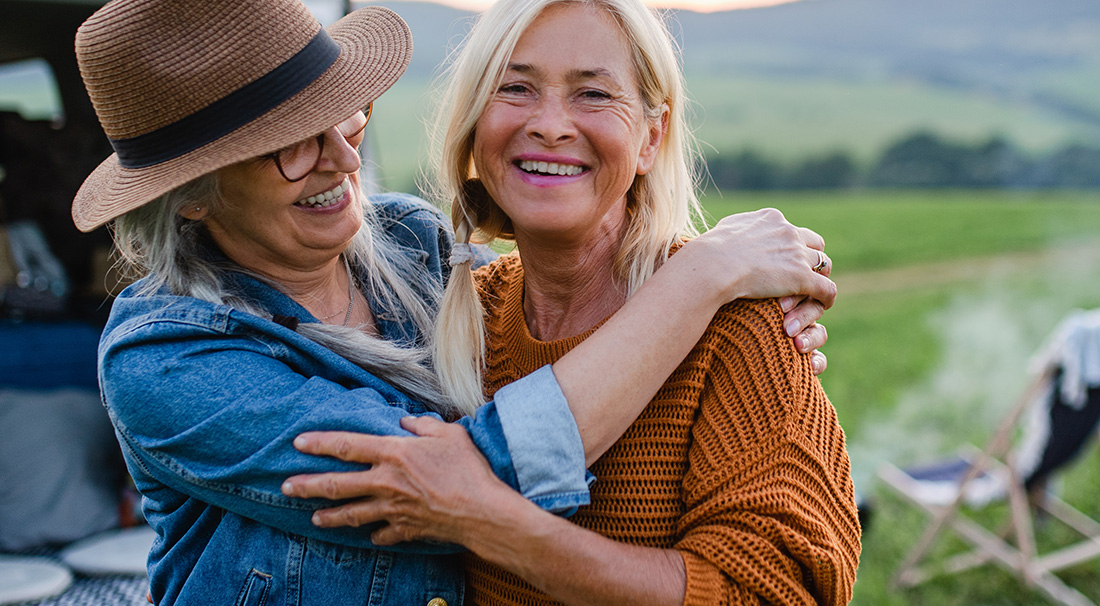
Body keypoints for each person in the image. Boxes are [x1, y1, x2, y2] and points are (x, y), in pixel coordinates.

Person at [74, 0, 833, 604]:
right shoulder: (167, 359)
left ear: (652, 134)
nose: (344, 159)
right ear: (192, 196)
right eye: (290, 142)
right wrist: (697, 282)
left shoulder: (412, 243)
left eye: (341, 115)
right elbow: (461, 485)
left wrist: (729, 281)